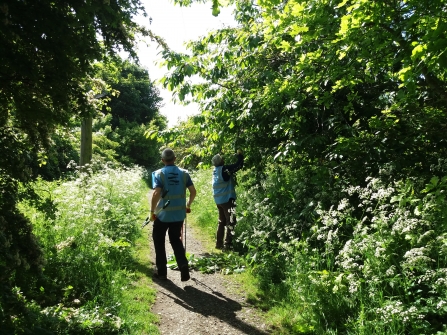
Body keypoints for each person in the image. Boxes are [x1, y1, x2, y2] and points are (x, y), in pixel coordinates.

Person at [151, 148, 196, 281]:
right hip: (178, 215)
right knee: (175, 240)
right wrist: (188, 205)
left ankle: (162, 273)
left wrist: (152, 212)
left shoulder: (158, 174)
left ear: (162, 160)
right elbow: (193, 191)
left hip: (163, 215)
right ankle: (183, 265)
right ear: (175, 159)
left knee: (159, 241)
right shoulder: (184, 173)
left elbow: (156, 193)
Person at [211, 149, 244, 250]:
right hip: (227, 200)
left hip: (219, 201)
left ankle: (219, 243)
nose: (223, 159)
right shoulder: (224, 169)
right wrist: (240, 156)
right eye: (222, 159)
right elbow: (238, 165)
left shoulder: (215, 171)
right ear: (221, 162)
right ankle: (227, 244)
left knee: (222, 221)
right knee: (231, 221)